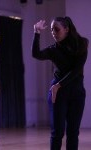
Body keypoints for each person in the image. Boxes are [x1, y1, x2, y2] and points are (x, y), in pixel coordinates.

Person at [32, 16, 88, 150]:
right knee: (57, 133)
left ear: (66, 29)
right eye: (51, 30)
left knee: (73, 133)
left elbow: (76, 70)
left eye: (56, 29)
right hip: (58, 94)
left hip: (76, 93)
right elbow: (36, 54)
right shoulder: (53, 50)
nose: (53, 33)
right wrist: (36, 32)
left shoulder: (82, 44)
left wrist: (59, 85)